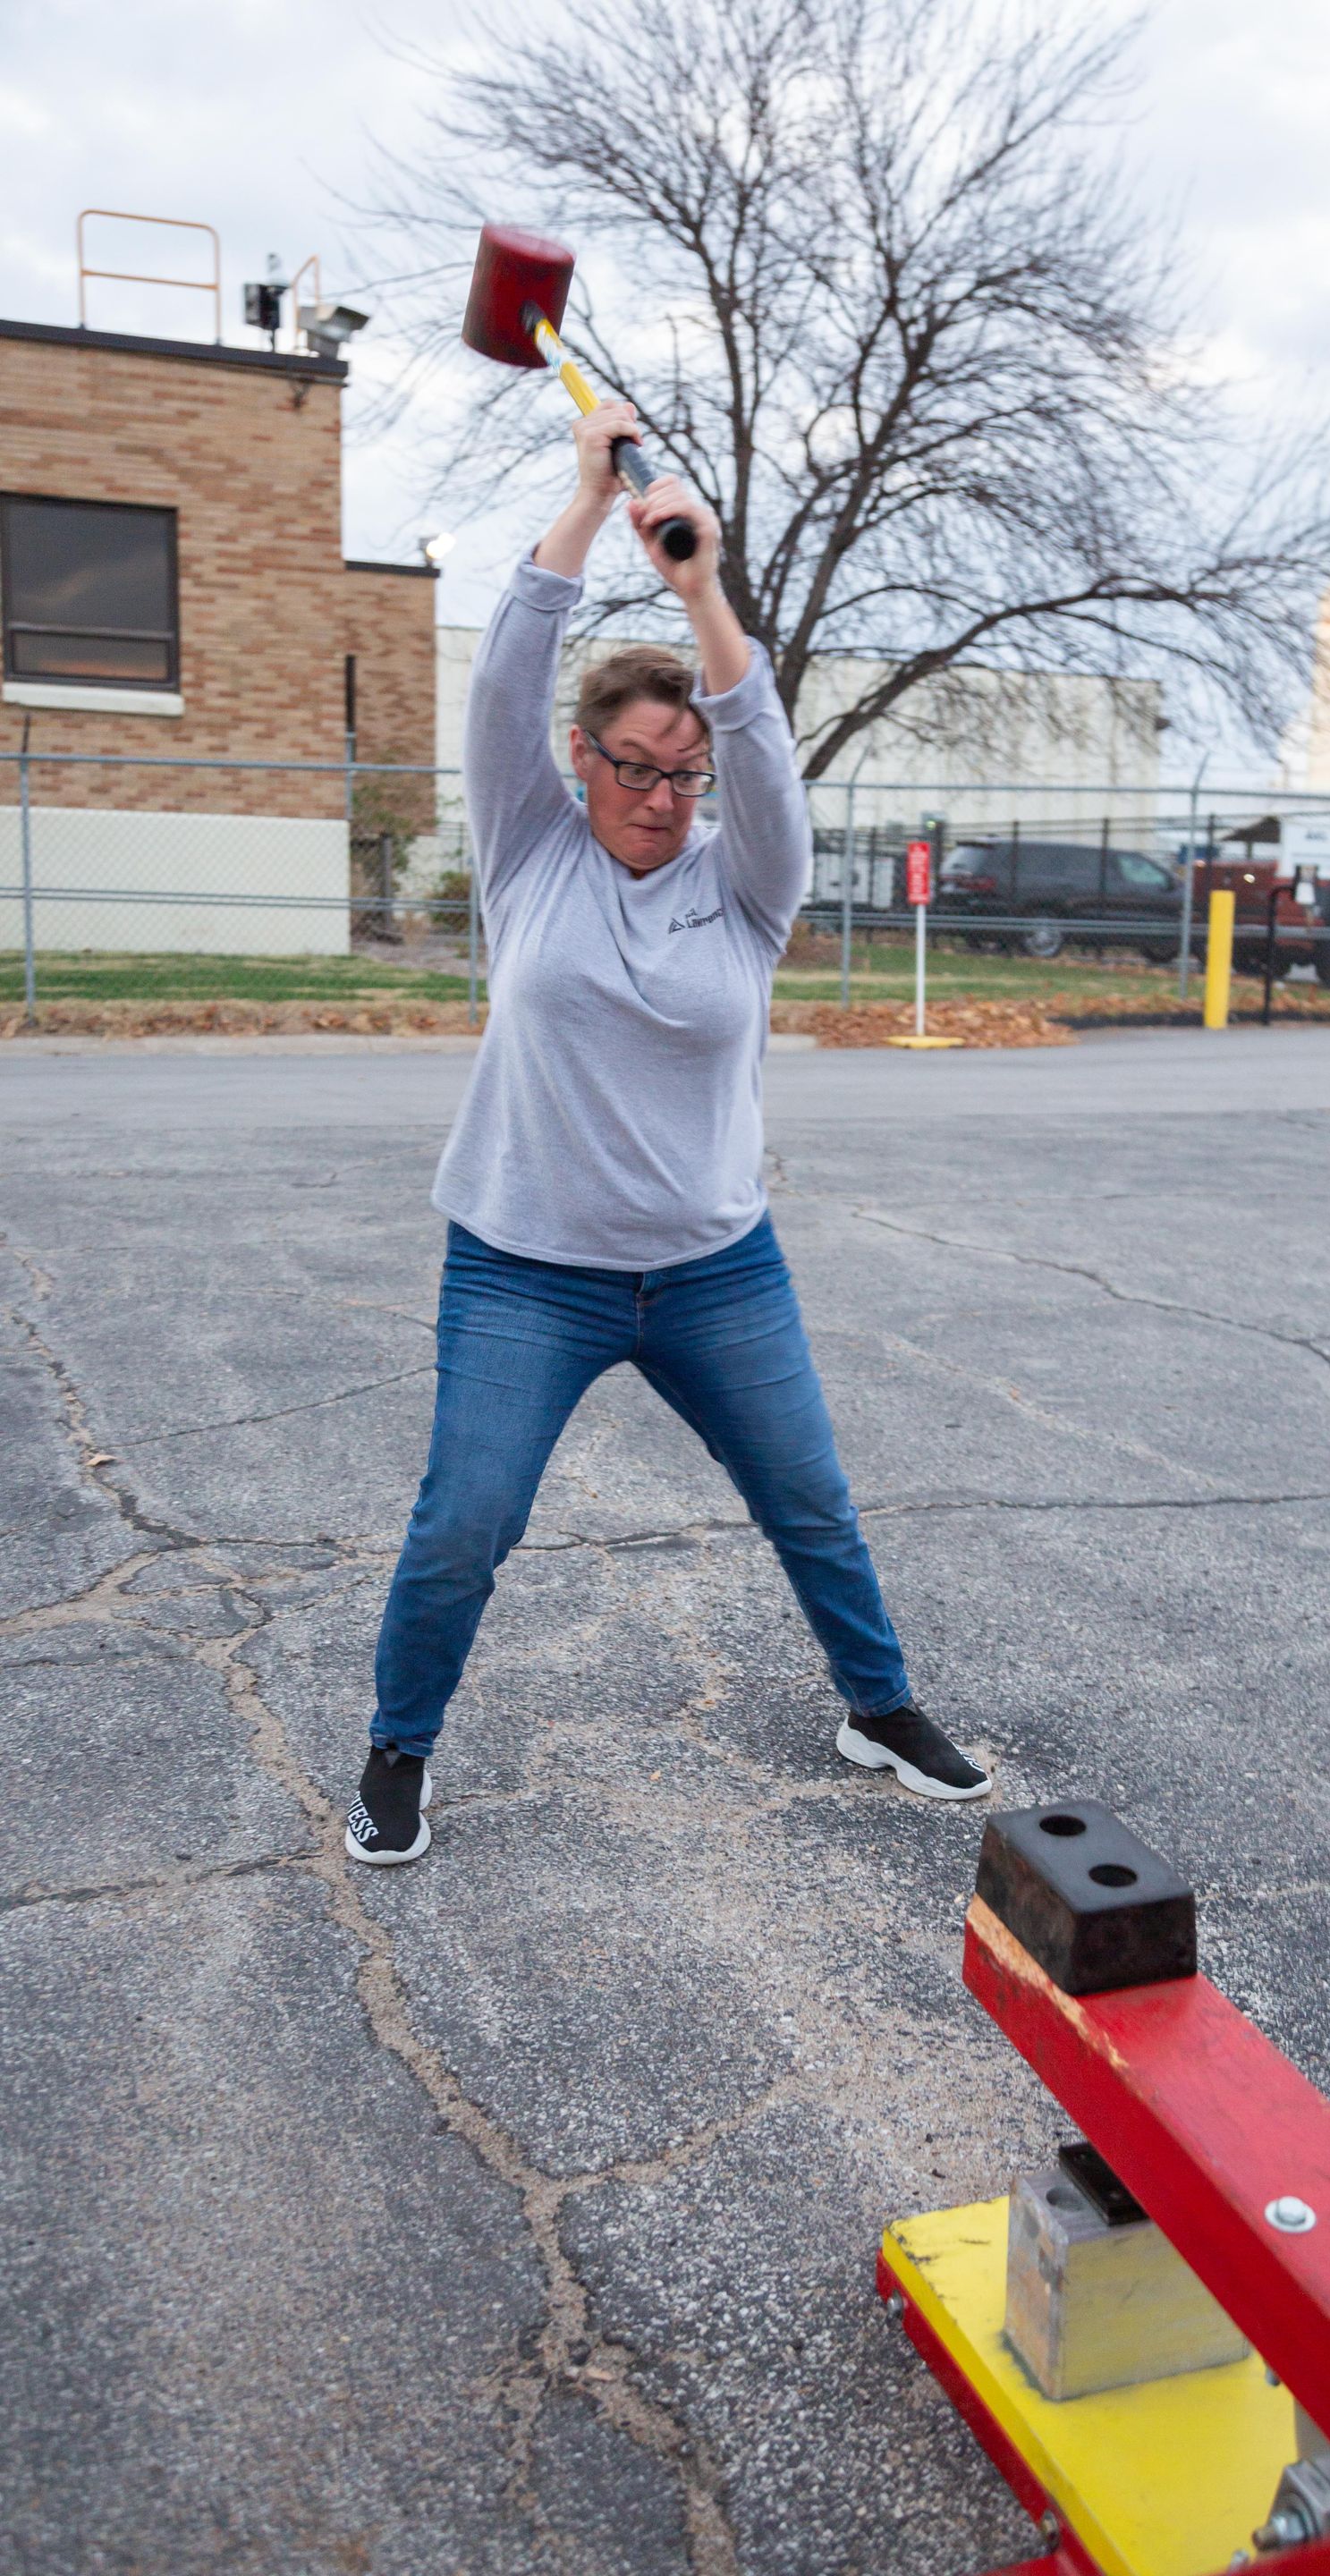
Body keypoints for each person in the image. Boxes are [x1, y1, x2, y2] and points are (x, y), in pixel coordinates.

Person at [344, 402, 991, 1865]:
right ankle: (399, 1747)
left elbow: (762, 752)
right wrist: (587, 503)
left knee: (810, 1502)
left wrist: (700, 589)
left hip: (713, 1269)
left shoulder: (745, 884)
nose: (659, 795)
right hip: (526, 1268)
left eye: (683, 772)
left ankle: (878, 1707)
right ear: (582, 761)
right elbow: (506, 680)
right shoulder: (529, 849)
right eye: (634, 765)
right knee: (465, 1523)